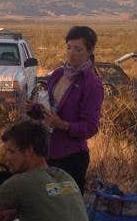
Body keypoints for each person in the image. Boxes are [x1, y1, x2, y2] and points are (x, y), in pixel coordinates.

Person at [37, 25, 104, 192]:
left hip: (72, 158)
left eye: (78, 49)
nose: (71, 53)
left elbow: (90, 127)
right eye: (69, 47)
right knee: (48, 206)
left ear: (90, 51)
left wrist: (63, 125)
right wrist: (35, 109)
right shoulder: (58, 74)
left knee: (67, 209)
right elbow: (49, 110)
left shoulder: (91, 84)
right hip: (47, 152)